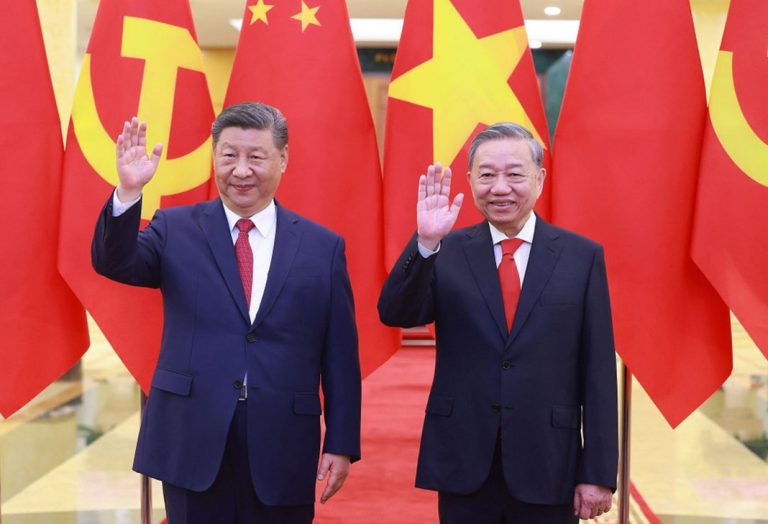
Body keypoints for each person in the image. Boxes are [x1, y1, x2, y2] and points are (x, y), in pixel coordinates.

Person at [92, 102, 361, 523]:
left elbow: (340, 355)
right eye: (229, 155)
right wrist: (128, 193)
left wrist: (341, 441)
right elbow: (115, 262)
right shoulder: (175, 229)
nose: (241, 170)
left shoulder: (322, 247)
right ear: (214, 157)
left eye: (256, 157)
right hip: (192, 435)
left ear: (283, 158)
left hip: (282, 440)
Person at [378, 122, 618, 523]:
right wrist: (425, 243)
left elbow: (598, 372)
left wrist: (598, 473)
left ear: (539, 179)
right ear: (470, 180)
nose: (500, 188)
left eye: (514, 174)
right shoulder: (447, 250)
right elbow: (396, 313)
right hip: (464, 458)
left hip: (549, 461)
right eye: (487, 175)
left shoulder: (581, 257)